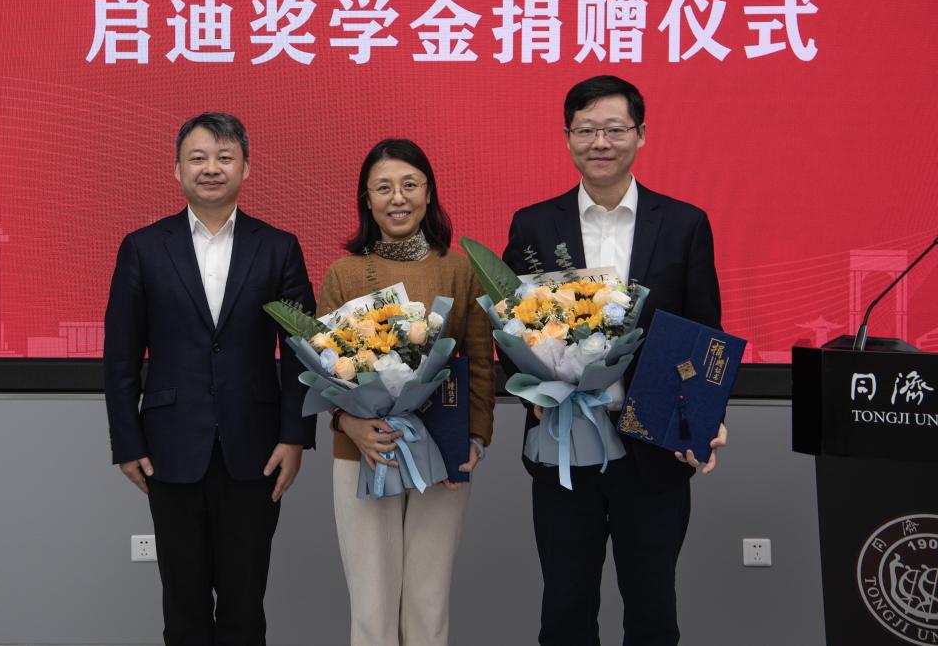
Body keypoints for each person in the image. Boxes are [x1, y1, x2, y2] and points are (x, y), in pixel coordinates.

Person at [502, 76, 726, 645]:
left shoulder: (684, 224)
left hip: (652, 448)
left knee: (653, 612)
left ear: (641, 134)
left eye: (614, 129)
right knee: (565, 612)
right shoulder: (534, 224)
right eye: (586, 130)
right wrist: (532, 394)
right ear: (567, 138)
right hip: (564, 445)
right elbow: (507, 325)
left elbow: (705, 333)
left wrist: (703, 415)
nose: (600, 142)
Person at [103, 112, 315, 645]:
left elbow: (301, 353)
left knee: (245, 605)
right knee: (183, 606)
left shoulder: (278, 247)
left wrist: (295, 437)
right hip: (169, 448)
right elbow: (121, 357)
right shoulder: (143, 247)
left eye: (225, 157)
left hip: (257, 449)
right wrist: (127, 442)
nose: (211, 168)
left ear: (247, 168)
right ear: (177, 169)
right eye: (198, 158)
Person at [319, 139, 495, 646]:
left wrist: (474, 439)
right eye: (383, 188)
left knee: (427, 601)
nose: (398, 198)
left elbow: (480, 363)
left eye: (409, 185)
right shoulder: (343, 274)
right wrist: (350, 423)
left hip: (442, 449)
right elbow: (324, 369)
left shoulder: (460, 269)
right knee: (371, 605)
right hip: (364, 451)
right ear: (367, 199)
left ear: (428, 193)